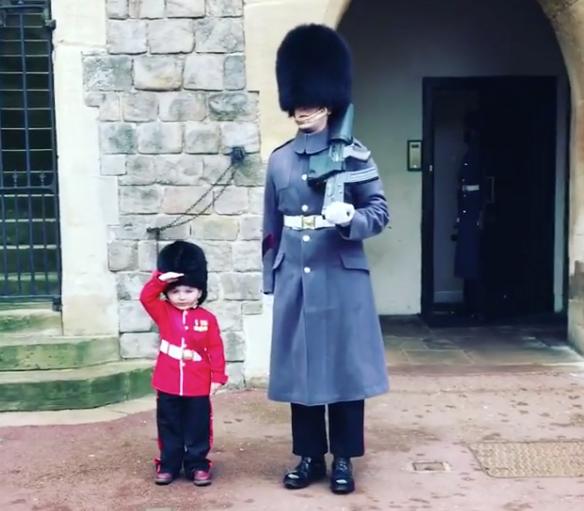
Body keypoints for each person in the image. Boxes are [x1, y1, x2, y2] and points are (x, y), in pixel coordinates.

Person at [262, 24, 390, 495]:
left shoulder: (354, 154)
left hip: (341, 276)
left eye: (311, 100)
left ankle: (343, 460)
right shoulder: (279, 160)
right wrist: (271, 280)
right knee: (303, 374)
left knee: (343, 373)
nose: (302, 109)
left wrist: (349, 216)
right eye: (298, 100)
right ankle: (309, 455)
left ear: (329, 101)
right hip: (296, 276)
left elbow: (380, 212)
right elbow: (271, 227)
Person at [139, 240, 228, 487]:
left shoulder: (207, 319)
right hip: (168, 381)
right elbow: (146, 297)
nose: (181, 296)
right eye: (176, 291)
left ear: (199, 292)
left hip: (197, 381)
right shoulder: (163, 311)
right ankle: (168, 464)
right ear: (167, 293)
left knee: (198, 426)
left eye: (188, 291)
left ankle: (197, 464)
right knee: (169, 425)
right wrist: (161, 279)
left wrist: (218, 376)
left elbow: (215, 348)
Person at [454, 111, 485, 317]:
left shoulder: (478, 154)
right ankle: (469, 305)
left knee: (474, 262)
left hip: (474, 211)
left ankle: (476, 307)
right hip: (467, 210)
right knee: (467, 262)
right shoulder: (470, 153)